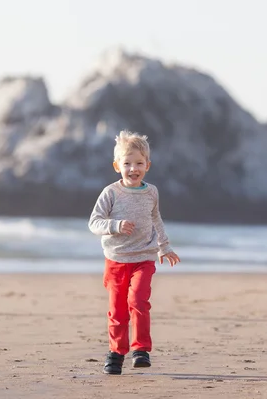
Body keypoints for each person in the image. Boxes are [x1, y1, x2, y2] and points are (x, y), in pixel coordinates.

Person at [88, 130, 181, 375]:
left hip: (144, 257)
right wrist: (115, 226)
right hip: (116, 259)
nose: (133, 168)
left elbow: (155, 219)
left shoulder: (152, 192)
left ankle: (141, 350)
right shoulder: (111, 193)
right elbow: (94, 222)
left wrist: (165, 246)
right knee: (118, 310)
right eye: (127, 163)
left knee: (138, 301)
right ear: (117, 165)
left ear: (147, 165)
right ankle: (116, 353)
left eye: (139, 163)